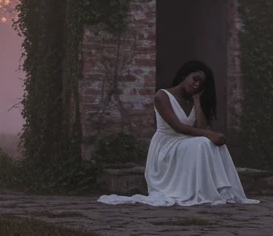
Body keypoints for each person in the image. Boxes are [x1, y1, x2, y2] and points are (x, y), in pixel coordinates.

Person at [97, 59, 259, 207]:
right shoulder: (162, 96)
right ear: (185, 76)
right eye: (195, 79)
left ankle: (224, 192)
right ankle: (203, 191)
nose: (197, 84)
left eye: (201, 84)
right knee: (204, 142)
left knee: (215, 145)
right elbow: (178, 127)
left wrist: (197, 101)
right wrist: (209, 134)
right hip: (166, 147)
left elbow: (201, 126)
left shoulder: (194, 99)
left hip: (185, 144)